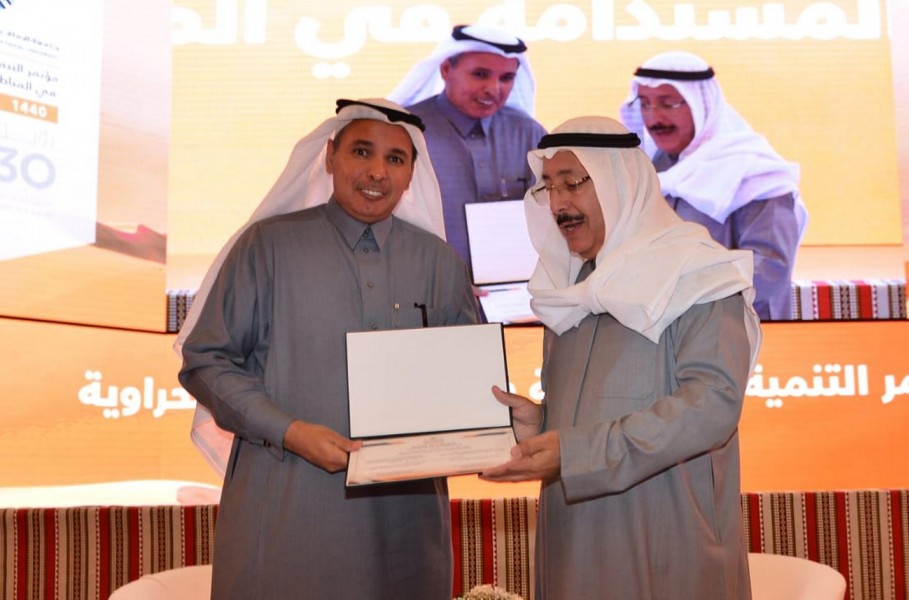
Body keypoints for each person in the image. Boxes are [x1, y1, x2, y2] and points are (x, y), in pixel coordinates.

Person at [176, 99, 478, 599]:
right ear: (331, 155)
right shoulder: (267, 246)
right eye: (361, 151)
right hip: (289, 499)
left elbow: (465, 380)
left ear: (411, 175)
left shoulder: (439, 261)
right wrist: (290, 431)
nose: (377, 171)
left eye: (395, 159)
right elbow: (207, 360)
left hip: (406, 516)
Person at [480, 116, 762, 598]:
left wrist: (578, 453)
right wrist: (542, 423)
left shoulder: (697, 274)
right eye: (548, 187)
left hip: (668, 541)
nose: (558, 204)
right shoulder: (569, 293)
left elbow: (712, 405)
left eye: (573, 183)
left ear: (622, 186)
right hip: (573, 540)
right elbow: (600, 413)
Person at [620, 51, 807, 321]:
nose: (654, 118)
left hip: (740, 330)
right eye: (645, 104)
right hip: (663, 328)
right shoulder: (651, 168)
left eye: (667, 104)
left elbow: (769, 271)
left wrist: (680, 287)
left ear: (702, 104)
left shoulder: (754, 172)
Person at [389, 23, 547, 270]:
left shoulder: (529, 134)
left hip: (516, 289)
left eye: (506, 78)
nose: (493, 89)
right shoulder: (404, 131)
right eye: (480, 74)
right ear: (445, 70)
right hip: (425, 284)